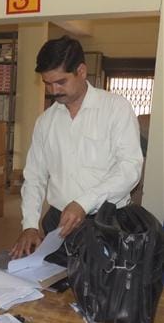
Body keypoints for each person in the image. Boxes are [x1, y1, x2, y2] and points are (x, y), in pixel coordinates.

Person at [10, 35, 143, 264]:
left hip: (105, 222)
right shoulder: (46, 121)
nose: (54, 90)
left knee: (100, 284)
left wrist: (84, 202)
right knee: (53, 282)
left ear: (81, 71)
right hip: (58, 223)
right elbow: (35, 177)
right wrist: (29, 225)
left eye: (61, 82)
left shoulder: (115, 109)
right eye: (47, 83)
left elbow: (130, 169)